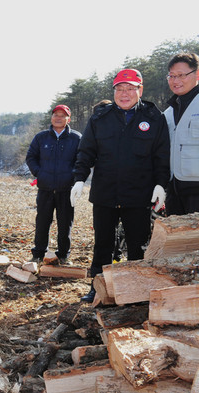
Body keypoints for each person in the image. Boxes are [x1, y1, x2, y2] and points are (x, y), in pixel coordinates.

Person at [70, 69, 170, 302]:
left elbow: (161, 156)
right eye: (119, 89)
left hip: (139, 194)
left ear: (140, 90)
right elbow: (86, 152)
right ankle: (98, 287)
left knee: (137, 245)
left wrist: (160, 185)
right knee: (103, 244)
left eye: (130, 88)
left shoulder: (154, 118)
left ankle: (137, 289)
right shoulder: (100, 118)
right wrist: (78, 179)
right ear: (114, 91)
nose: (124, 94)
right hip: (105, 193)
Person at [26, 105, 81, 265]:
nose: (58, 118)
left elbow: (82, 160)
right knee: (42, 222)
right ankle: (38, 254)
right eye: (55, 115)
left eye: (62, 116)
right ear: (51, 118)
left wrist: (73, 176)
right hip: (45, 188)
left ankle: (63, 255)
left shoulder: (76, 138)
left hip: (66, 189)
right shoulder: (41, 138)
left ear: (68, 119)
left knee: (65, 224)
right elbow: (31, 157)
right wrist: (39, 173)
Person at [163, 52, 199, 215]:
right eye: (171, 76)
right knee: (179, 239)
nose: (175, 81)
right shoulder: (168, 112)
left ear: (197, 73)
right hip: (174, 191)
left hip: (196, 191)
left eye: (181, 75)